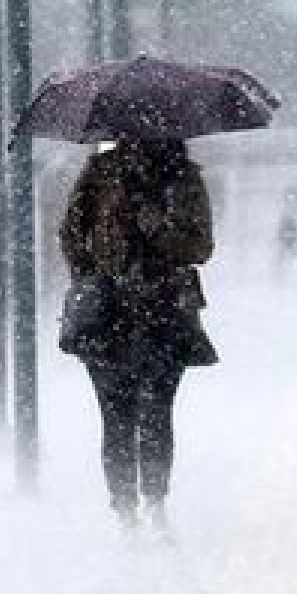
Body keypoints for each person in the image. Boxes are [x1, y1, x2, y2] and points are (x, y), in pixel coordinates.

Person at [59, 137, 216, 531]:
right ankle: (126, 506)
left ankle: (155, 500)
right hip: (108, 313)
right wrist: (96, 270)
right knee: (116, 414)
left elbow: (201, 247)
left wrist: (160, 229)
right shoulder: (98, 175)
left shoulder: (184, 179)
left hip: (164, 310)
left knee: (157, 410)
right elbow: (71, 236)